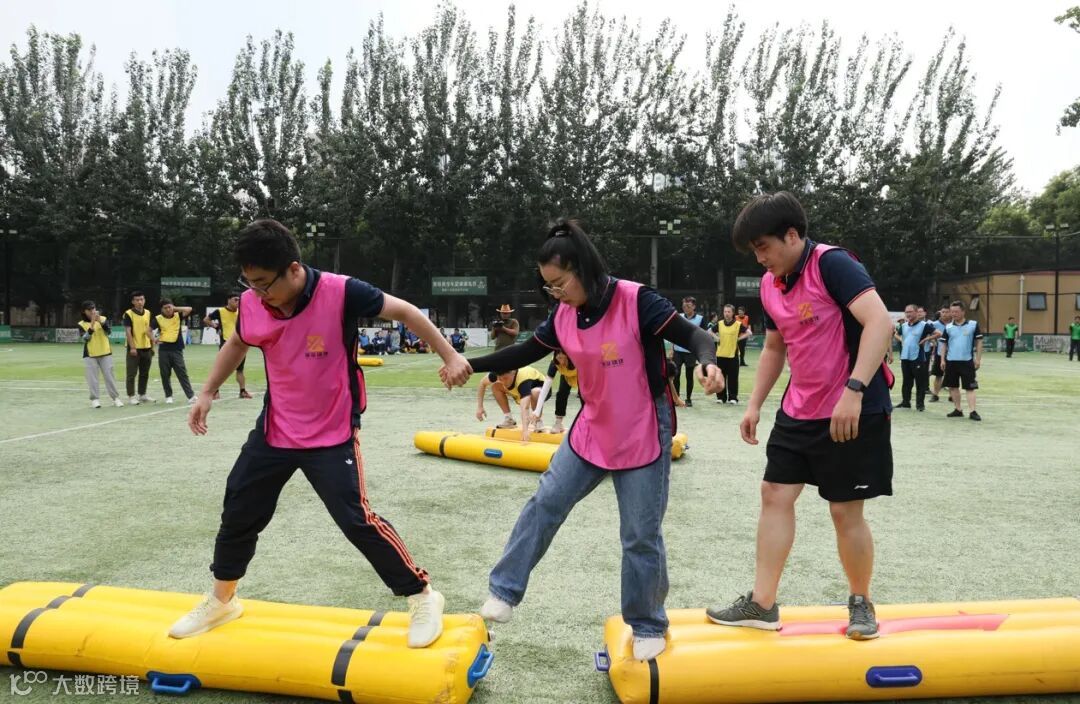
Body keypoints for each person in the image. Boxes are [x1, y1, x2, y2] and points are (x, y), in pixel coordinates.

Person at [170, 219, 471, 649]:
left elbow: (405, 312)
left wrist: (450, 355)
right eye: (249, 284)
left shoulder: (342, 292)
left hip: (332, 432)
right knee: (239, 506)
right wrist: (206, 392)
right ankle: (222, 599)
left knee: (356, 519)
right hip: (276, 429)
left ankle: (422, 595)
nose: (257, 293)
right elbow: (238, 342)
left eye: (264, 283)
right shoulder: (254, 303)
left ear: (293, 269)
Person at [459, 219, 721, 662]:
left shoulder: (636, 300)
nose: (555, 294)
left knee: (639, 534)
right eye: (548, 287)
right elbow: (526, 351)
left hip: (643, 427)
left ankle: (647, 623)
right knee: (546, 501)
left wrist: (708, 362)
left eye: (560, 283)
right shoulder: (564, 314)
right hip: (593, 425)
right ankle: (504, 591)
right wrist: (470, 364)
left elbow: (695, 335)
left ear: (582, 268)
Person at [707, 192, 894, 641]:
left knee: (844, 511)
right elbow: (775, 347)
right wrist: (754, 404)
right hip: (799, 409)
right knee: (774, 493)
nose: (760, 258)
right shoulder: (771, 284)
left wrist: (854, 390)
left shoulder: (832, 264)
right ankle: (762, 603)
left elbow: (880, 323)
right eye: (754, 251)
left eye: (763, 247)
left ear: (792, 236)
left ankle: (861, 601)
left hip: (852, 409)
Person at [939, 300, 983, 421]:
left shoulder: (973, 324)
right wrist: (942, 360)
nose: (953, 314)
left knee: (970, 387)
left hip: (967, 361)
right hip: (951, 362)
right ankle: (958, 409)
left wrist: (978, 359)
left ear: (963, 311)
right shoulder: (948, 327)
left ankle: (973, 411)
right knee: (952, 387)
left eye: (956, 311)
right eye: (952, 311)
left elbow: (979, 342)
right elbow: (943, 344)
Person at [476, 366, 548, 439]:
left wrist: (525, 430)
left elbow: (525, 408)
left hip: (541, 391)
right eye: (500, 379)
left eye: (505, 378)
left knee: (535, 392)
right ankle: (509, 419)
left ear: (513, 373)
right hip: (519, 391)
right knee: (495, 386)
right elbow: (482, 383)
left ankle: (538, 421)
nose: (503, 382)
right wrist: (480, 407)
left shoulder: (523, 380)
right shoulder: (496, 373)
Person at [204, 294, 253, 400]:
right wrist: (216, 327)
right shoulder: (220, 311)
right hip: (226, 344)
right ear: (229, 300)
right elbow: (206, 319)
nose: (238, 302)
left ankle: (242, 391)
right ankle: (215, 392)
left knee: (240, 370)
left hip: (240, 344)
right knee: (221, 370)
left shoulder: (241, 312)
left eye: (239, 300)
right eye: (235, 300)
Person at [893, 304, 939, 411]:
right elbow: (896, 334)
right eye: (906, 312)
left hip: (918, 358)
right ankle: (906, 402)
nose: (908, 314)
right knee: (906, 381)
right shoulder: (904, 325)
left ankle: (920, 404)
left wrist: (926, 339)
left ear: (916, 312)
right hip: (905, 357)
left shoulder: (924, 325)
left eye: (910, 312)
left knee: (920, 382)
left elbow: (938, 333)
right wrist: (902, 340)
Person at [78, 301, 124, 408]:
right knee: (92, 378)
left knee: (109, 377)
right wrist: (92, 324)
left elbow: (109, 332)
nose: (92, 311)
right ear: (84, 311)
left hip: (105, 352)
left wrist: (101, 322)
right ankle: (95, 399)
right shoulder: (81, 324)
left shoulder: (103, 319)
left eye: (93, 309)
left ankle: (115, 398)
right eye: (89, 310)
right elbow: (85, 338)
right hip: (90, 354)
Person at [152, 298, 196, 405]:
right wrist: (154, 339)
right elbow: (148, 330)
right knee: (165, 374)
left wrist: (175, 308)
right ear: (161, 309)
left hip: (177, 349)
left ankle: (191, 396)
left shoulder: (178, 315)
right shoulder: (158, 319)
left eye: (169, 307)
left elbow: (189, 309)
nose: (168, 309)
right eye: (165, 308)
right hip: (164, 350)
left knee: (182, 373)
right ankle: (168, 396)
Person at [670, 296, 706, 406]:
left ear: (694, 306)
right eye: (684, 306)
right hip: (678, 351)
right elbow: (673, 333)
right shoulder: (678, 316)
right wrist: (672, 349)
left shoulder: (700, 319)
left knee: (689, 376)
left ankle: (688, 399)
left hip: (691, 352)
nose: (685, 308)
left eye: (688, 306)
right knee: (676, 375)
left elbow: (703, 335)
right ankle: (676, 398)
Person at [532, 351, 580, 433]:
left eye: (562, 358)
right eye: (558, 358)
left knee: (585, 397)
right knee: (561, 394)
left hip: (582, 374)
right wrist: (537, 410)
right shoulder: (554, 362)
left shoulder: (577, 359)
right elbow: (545, 388)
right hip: (566, 375)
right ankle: (558, 423)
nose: (560, 361)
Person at [123, 291, 156, 405]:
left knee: (144, 373)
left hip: (146, 348)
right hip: (134, 349)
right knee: (131, 373)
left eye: (141, 299)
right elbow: (128, 332)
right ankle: (131, 396)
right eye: (137, 300)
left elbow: (149, 330)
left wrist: (152, 346)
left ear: (144, 300)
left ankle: (142, 394)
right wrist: (132, 347)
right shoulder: (128, 314)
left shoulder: (148, 313)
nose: (140, 302)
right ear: (133, 302)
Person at [713, 304, 751, 404]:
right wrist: (716, 338)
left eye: (729, 312)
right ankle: (721, 397)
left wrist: (739, 339)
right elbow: (709, 331)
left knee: (733, 378)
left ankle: (733, 398)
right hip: (720, 355)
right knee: (720, 377)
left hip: (733, 355)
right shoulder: (720, 323)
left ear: (733, 313)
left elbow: (749, 332)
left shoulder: (738, 324)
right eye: (725, 311)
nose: (726, 314)